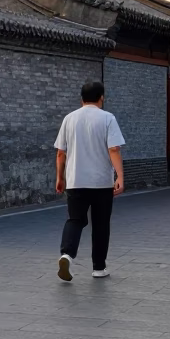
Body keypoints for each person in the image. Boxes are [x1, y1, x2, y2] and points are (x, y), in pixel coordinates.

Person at [54, 80, 125, 282]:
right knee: (101, 223)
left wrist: (60, 177)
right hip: (101, 182)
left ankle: (67, 254)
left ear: (81, 99)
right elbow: (114, 149)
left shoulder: (69, 119)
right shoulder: (107, 118)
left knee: (75, 219)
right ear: (101, 97)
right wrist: (120, 176)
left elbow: (60, 153)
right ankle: (98, 268)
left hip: (76, 180)